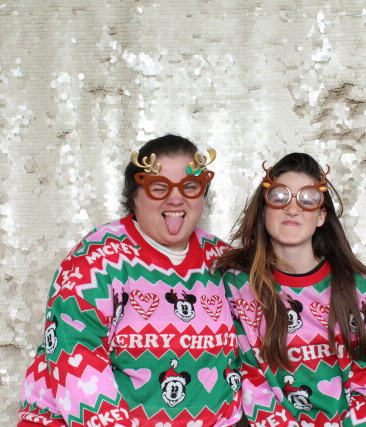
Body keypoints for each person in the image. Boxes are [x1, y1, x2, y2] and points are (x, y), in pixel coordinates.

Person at [18, 134, 242, 426]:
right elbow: (76, 353)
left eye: (190, 186)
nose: (176, 198)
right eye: (159, 187)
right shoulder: (98, 257)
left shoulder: (223, 261)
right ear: (134, 195)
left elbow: (259, 348)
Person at [216, 153, 366, 426]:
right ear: (263, 210)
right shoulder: (238, 287)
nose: (292, 209)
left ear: (321, 216)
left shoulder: (359, 290)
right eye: (279, 197)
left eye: (308, 199)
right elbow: (249, 378)